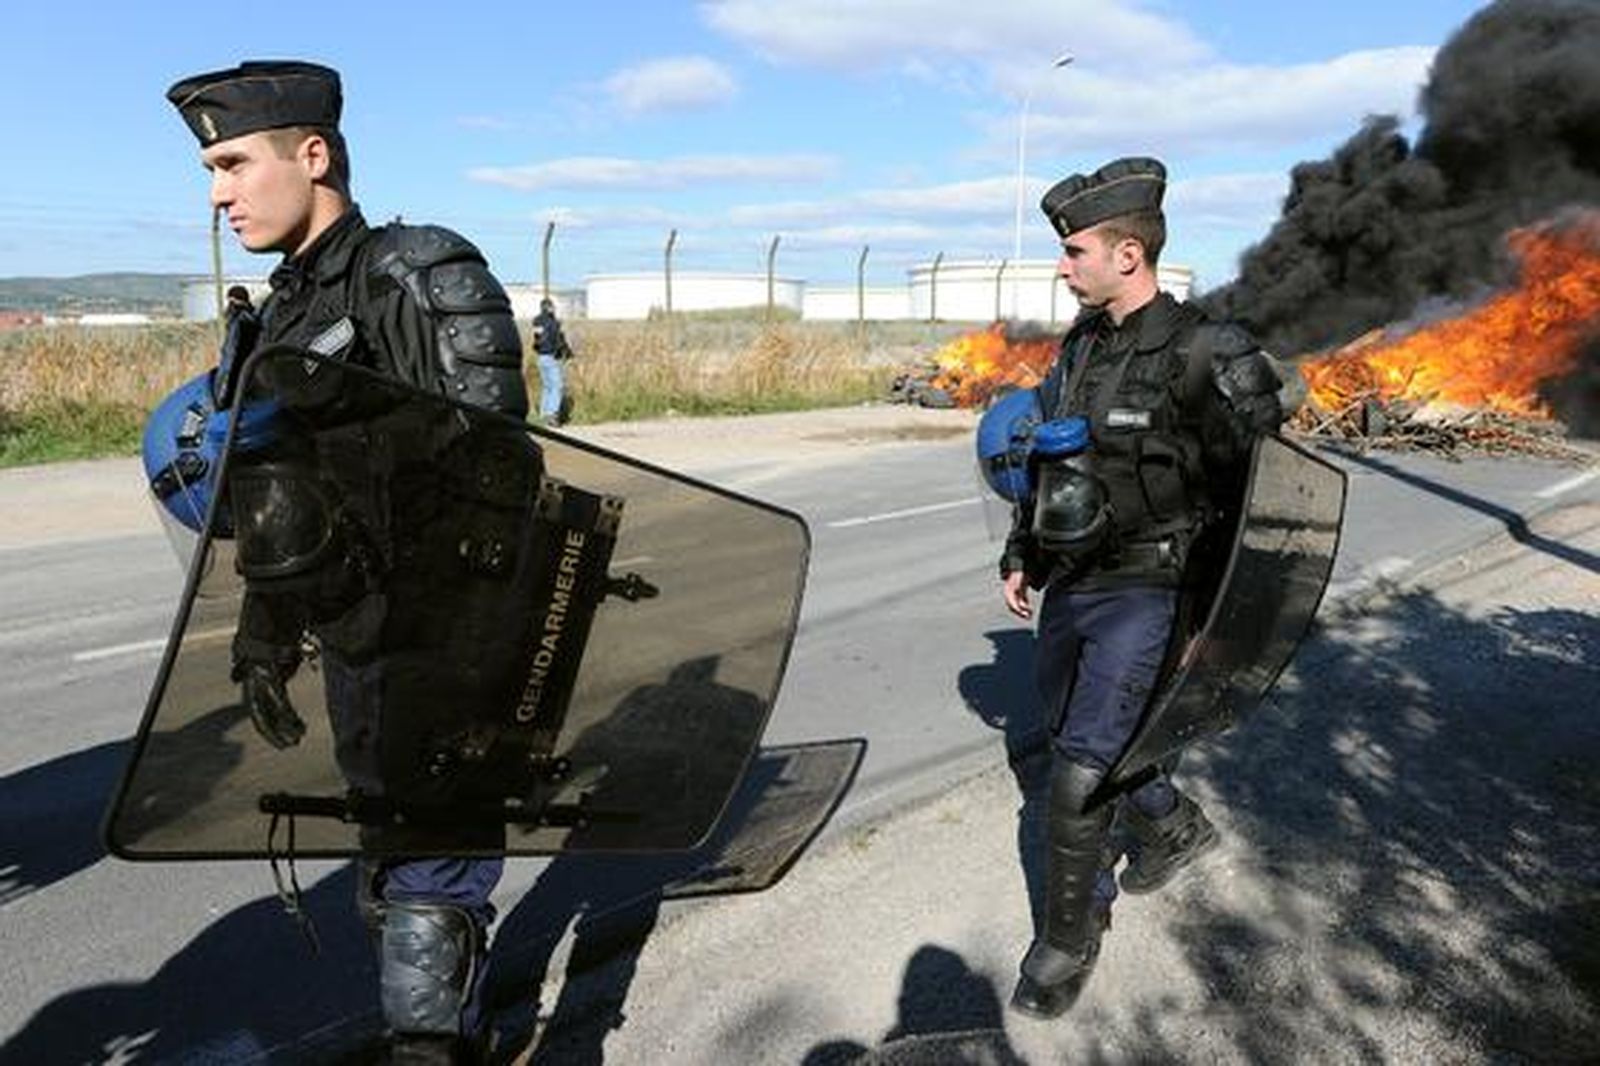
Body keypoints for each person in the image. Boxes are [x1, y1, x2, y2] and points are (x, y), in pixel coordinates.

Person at [167, 60, 528, 1063]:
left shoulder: (410, 274)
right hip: (360, 644)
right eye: (209, 167)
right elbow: (281, 503)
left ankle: (432, 1044)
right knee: (391, 864)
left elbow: (497, 470)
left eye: (233, 161)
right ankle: (448, 1027)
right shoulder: (277, 318)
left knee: (429, 876)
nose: (217, 191)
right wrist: (262, 631)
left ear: (313, 154)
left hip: (444, 637)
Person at [999, 157, 1300, 1018]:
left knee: (1077, 773)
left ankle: (1068, 936)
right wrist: (1024, 550)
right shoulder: (1080, 347)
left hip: (1158, 591)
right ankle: (1172, 827)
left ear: (1128, 254)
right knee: (1079, 737)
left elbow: (1266, 501)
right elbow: (1055, 462)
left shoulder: (1211, 352)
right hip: (1077, 580)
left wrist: (1222, 624)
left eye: (1074, 250)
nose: (1064, 265)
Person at [531, 297, 569, 424]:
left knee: (547, 387)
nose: (554, 309)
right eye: (552, 307)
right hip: (551, 357)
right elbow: (557, 341)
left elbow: (537, 340)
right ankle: (552, 414)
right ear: (548, 308)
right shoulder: (553, 323)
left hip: (540, 357)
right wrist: (564, 352)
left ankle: (543, 414)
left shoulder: (536, 322)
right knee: (557, 386)